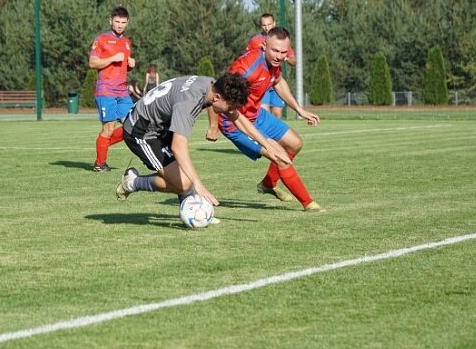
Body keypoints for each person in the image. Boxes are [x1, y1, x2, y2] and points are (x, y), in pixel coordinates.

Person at [116, 74, 289, 214]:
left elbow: (238, 119)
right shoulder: (189, 102)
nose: (231, 111)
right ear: (218, 98)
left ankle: (193, 211)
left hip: (161, 126)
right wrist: (199, 185)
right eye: (230, 106)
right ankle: (133, 182)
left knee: (184, 178)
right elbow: (178, 146)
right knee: (185, 183)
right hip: (142, 132)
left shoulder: (210, 86)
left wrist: (268, 146)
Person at [207, 27, 324, 213]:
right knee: (281, 157)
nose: (279, 56)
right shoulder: (246, 68)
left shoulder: (274, 65)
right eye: (275, 51)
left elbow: (278, 82)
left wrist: (300, 110)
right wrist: (213, 126)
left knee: (295, 144)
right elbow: (215, 92)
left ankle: (268, 184)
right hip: (236, 123)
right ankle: (308, 203)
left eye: (283, 52)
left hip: (257, 115)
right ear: (264, 46)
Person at [88, 6, 135, 172]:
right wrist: (112, 57)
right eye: (117, 22)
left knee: (134, 125)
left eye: (123, 22)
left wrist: (130, 66)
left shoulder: (127, 42)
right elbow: (93, 63)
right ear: (110, 21)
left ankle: (103, 143)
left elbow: (121, 67)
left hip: (122, 92)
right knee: (108, 128)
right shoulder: (101, 39)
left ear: (127, 23)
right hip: (106, 90)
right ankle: (100, 163)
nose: (120, 25)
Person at [246, 13, 297, 119]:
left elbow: (293, 61)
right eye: (264, 25)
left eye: (269, 24)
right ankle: (260, 135)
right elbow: (248, 59)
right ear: (261, 26)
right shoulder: (255, 41)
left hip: (276, 81)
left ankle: (272, 135)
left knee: (277, 115)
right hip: (262, 81)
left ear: (274, 23)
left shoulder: (280, 41)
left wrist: (287, 58)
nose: (266, 27)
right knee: (264, 114)